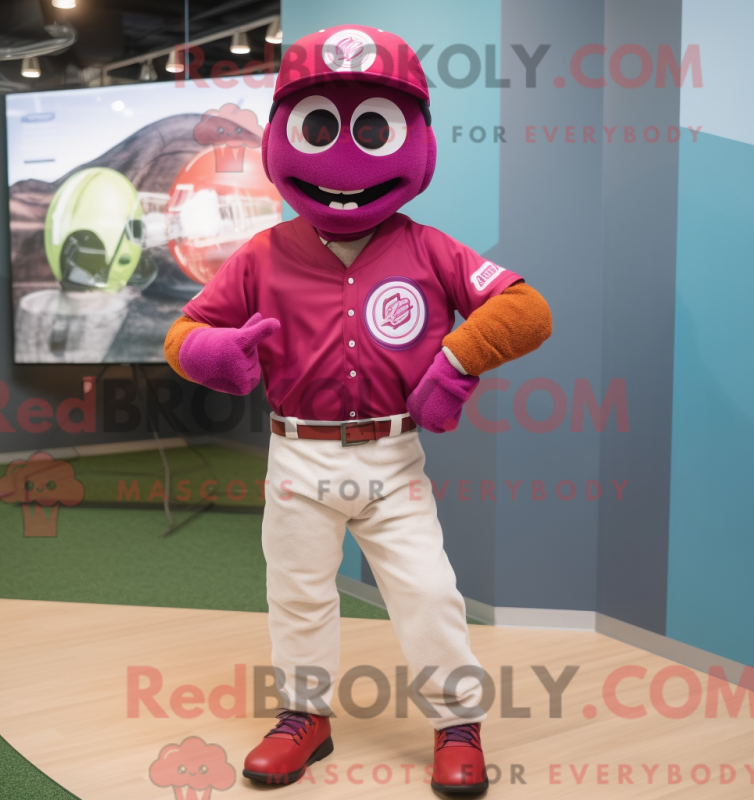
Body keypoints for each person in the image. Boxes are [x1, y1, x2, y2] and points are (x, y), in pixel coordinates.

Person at [165, 24, 552, 793]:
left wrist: (457, 361)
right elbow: (182, 335)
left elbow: (526, 308)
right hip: (298, 453)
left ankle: (458, 723)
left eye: (373, 130)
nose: (344, 157)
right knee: (298, 592)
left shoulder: (429, 248)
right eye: (319, 128)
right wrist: (216, 353)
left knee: (428, 592)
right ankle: (304, 717)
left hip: (390, 456)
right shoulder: (262, 254)